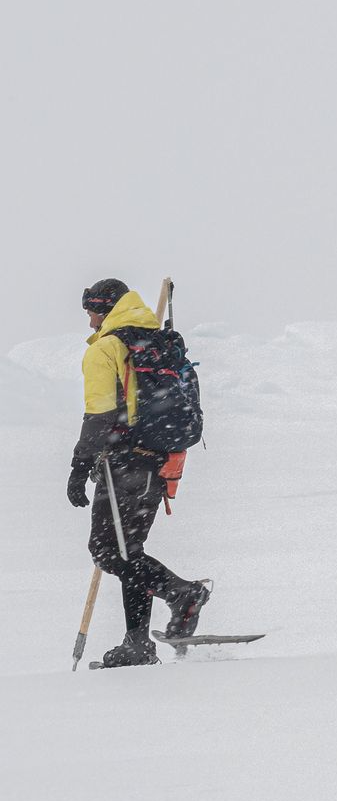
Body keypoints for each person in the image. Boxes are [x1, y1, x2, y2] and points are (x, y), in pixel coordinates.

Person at [69, 279, 210, 668]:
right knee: (128, 553)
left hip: (125, 465)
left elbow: (99, 416)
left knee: (108, 552)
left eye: (93, 312)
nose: (91, 322)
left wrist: (78, 467)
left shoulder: (108, 348)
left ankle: (183, 594)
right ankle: (137, 643)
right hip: (159, 462)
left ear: (107, 309)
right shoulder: (155, 342)